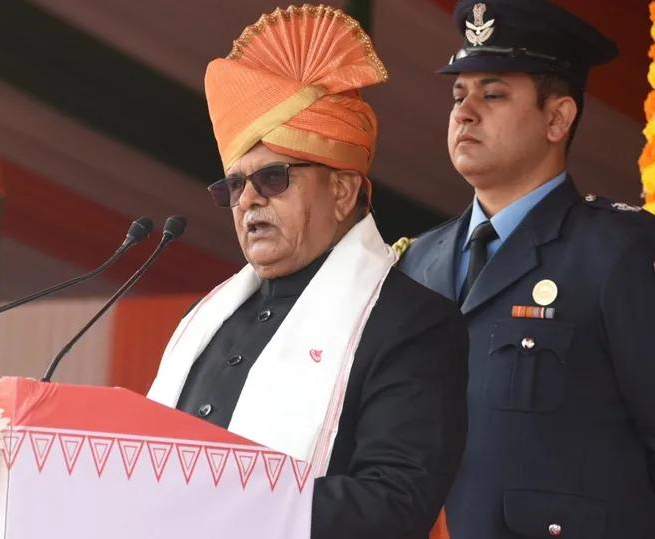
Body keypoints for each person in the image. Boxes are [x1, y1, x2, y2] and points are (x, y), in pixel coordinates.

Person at [146, 6, 469, 538]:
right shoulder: (205, 319)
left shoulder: (412, 324)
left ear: (342, 191)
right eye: (233, 186)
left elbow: (393, 502)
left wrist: (224, 504)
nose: (247, 200)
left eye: (272, 177)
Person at [395, 1, 655, 538]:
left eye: (492, 94)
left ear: (557, 118)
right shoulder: (417, 261)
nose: (465, 113)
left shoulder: (617, 254)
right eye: (458, 95)